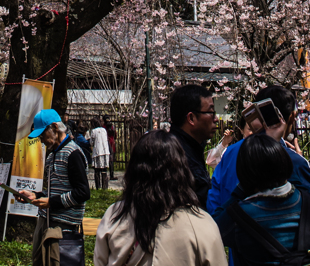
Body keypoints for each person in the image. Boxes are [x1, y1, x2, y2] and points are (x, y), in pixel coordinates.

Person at [207, 85, 310, 236]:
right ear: (293, 117)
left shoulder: (230, 153)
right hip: (288, 249)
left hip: (240, 250)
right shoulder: (292, 159)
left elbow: (214, 203)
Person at [95, 129, 227, 266]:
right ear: (182, 171)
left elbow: (100, 261)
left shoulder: (114, 215)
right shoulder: (201, 224)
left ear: (134, 171)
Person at [214, 133, 310, 266]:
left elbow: (214, 228)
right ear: (284, 162)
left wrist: (240, 189)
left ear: (245, 174)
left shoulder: (239, 215)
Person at [18, 109, 90, 266]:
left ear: (55, 128)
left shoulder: (73, 153)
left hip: (62, 227)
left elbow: (83, 192)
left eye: (43, 135)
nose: (42, 140)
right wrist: (35, 196)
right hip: (46, 222)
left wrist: (51, 202)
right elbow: (54, 191)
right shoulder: (52, 156)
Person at [169, 84, 218, 210]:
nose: (216, 119)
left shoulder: (189, 147)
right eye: (211, 112)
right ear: (191, 118)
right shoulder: (177, 156)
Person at [90, 119, 110, 190]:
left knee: (97, 171)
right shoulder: (104, 130)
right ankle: (105, 186)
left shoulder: (93, 131)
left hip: (98, 152)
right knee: (104, 170)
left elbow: (91, 143)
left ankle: (98, 187)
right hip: (105, 151)